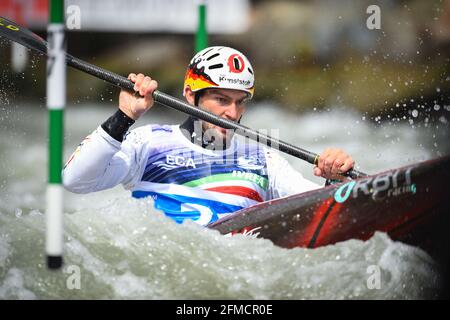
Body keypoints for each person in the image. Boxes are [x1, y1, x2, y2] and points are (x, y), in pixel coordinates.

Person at [63, 46, 354, 225]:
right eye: (221, 99)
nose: (232, 112)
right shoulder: (149, 142)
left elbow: (320, 211)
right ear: (190, 95)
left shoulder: (263, 160)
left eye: (240, 101)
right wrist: (125, 116)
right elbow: (75, 180)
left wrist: (334, 180)